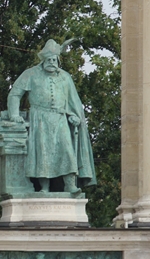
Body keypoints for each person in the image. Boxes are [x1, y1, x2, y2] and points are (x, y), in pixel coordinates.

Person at [7, 39, 96, 193]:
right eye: (48, 59)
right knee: (42, 153)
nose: (51, 62)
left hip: (60, 119)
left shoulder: (65, 77)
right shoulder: (31, 74)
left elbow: (73, 102)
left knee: (67, 150)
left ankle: (70, 185)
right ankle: (44, 187)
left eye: (54, 59)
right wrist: (14, 115)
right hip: (39, 119)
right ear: (43, 60)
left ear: (58, 60)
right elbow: (15, 94)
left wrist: (73, 115)